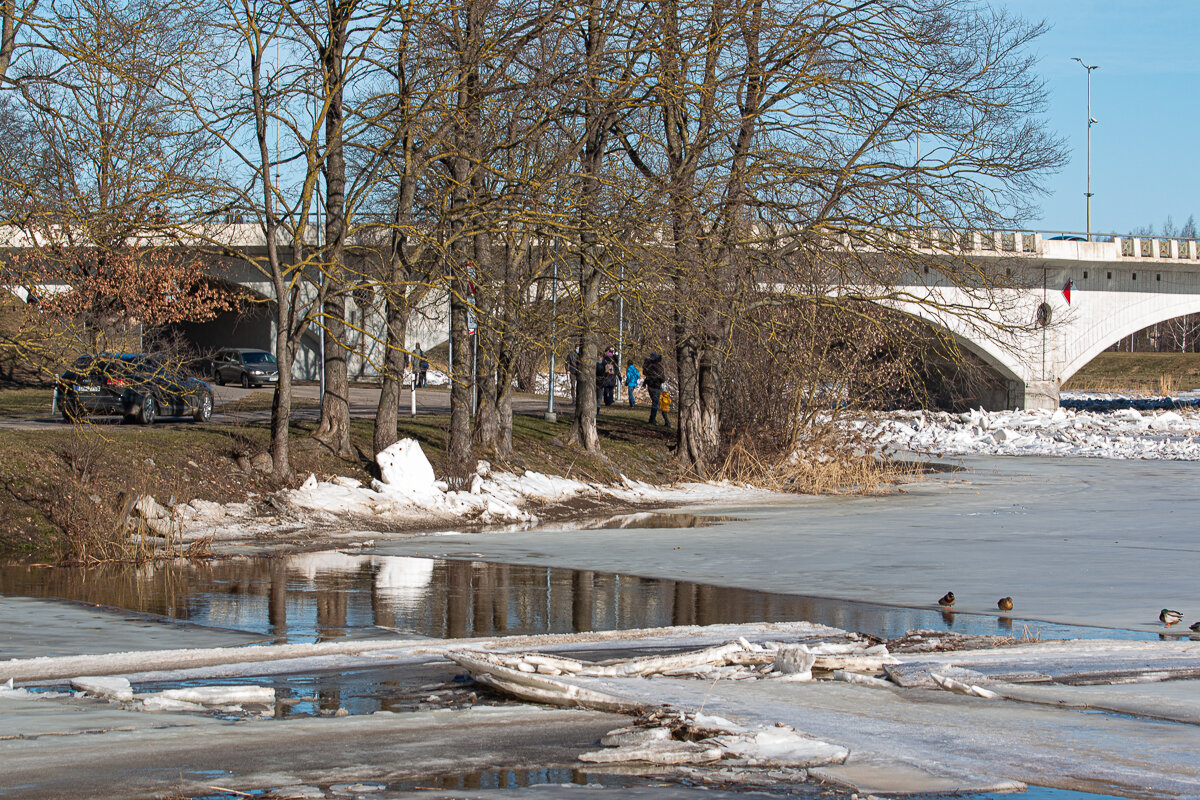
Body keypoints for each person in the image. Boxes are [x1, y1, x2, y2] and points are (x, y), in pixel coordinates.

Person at [643, 352, 668, 427]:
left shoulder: (648, 367)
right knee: (657, 404)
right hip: (657, 387)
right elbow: (663, 379)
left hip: (650, 387)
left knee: (655, 403)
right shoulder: (659, 368)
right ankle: (653, 419)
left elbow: (646, 375)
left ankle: (654, 419)